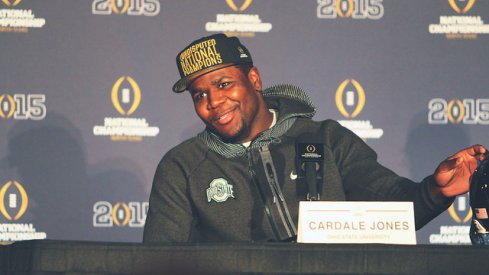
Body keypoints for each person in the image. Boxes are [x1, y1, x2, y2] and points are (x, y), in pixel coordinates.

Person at [143, 33, 487, 243]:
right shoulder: (182, 166)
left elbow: (393, 210)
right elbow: (161, 262)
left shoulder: (326, 138)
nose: (213, 102)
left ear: (254, 79)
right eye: (199, 95)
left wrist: (436, 190)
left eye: (223, 84)